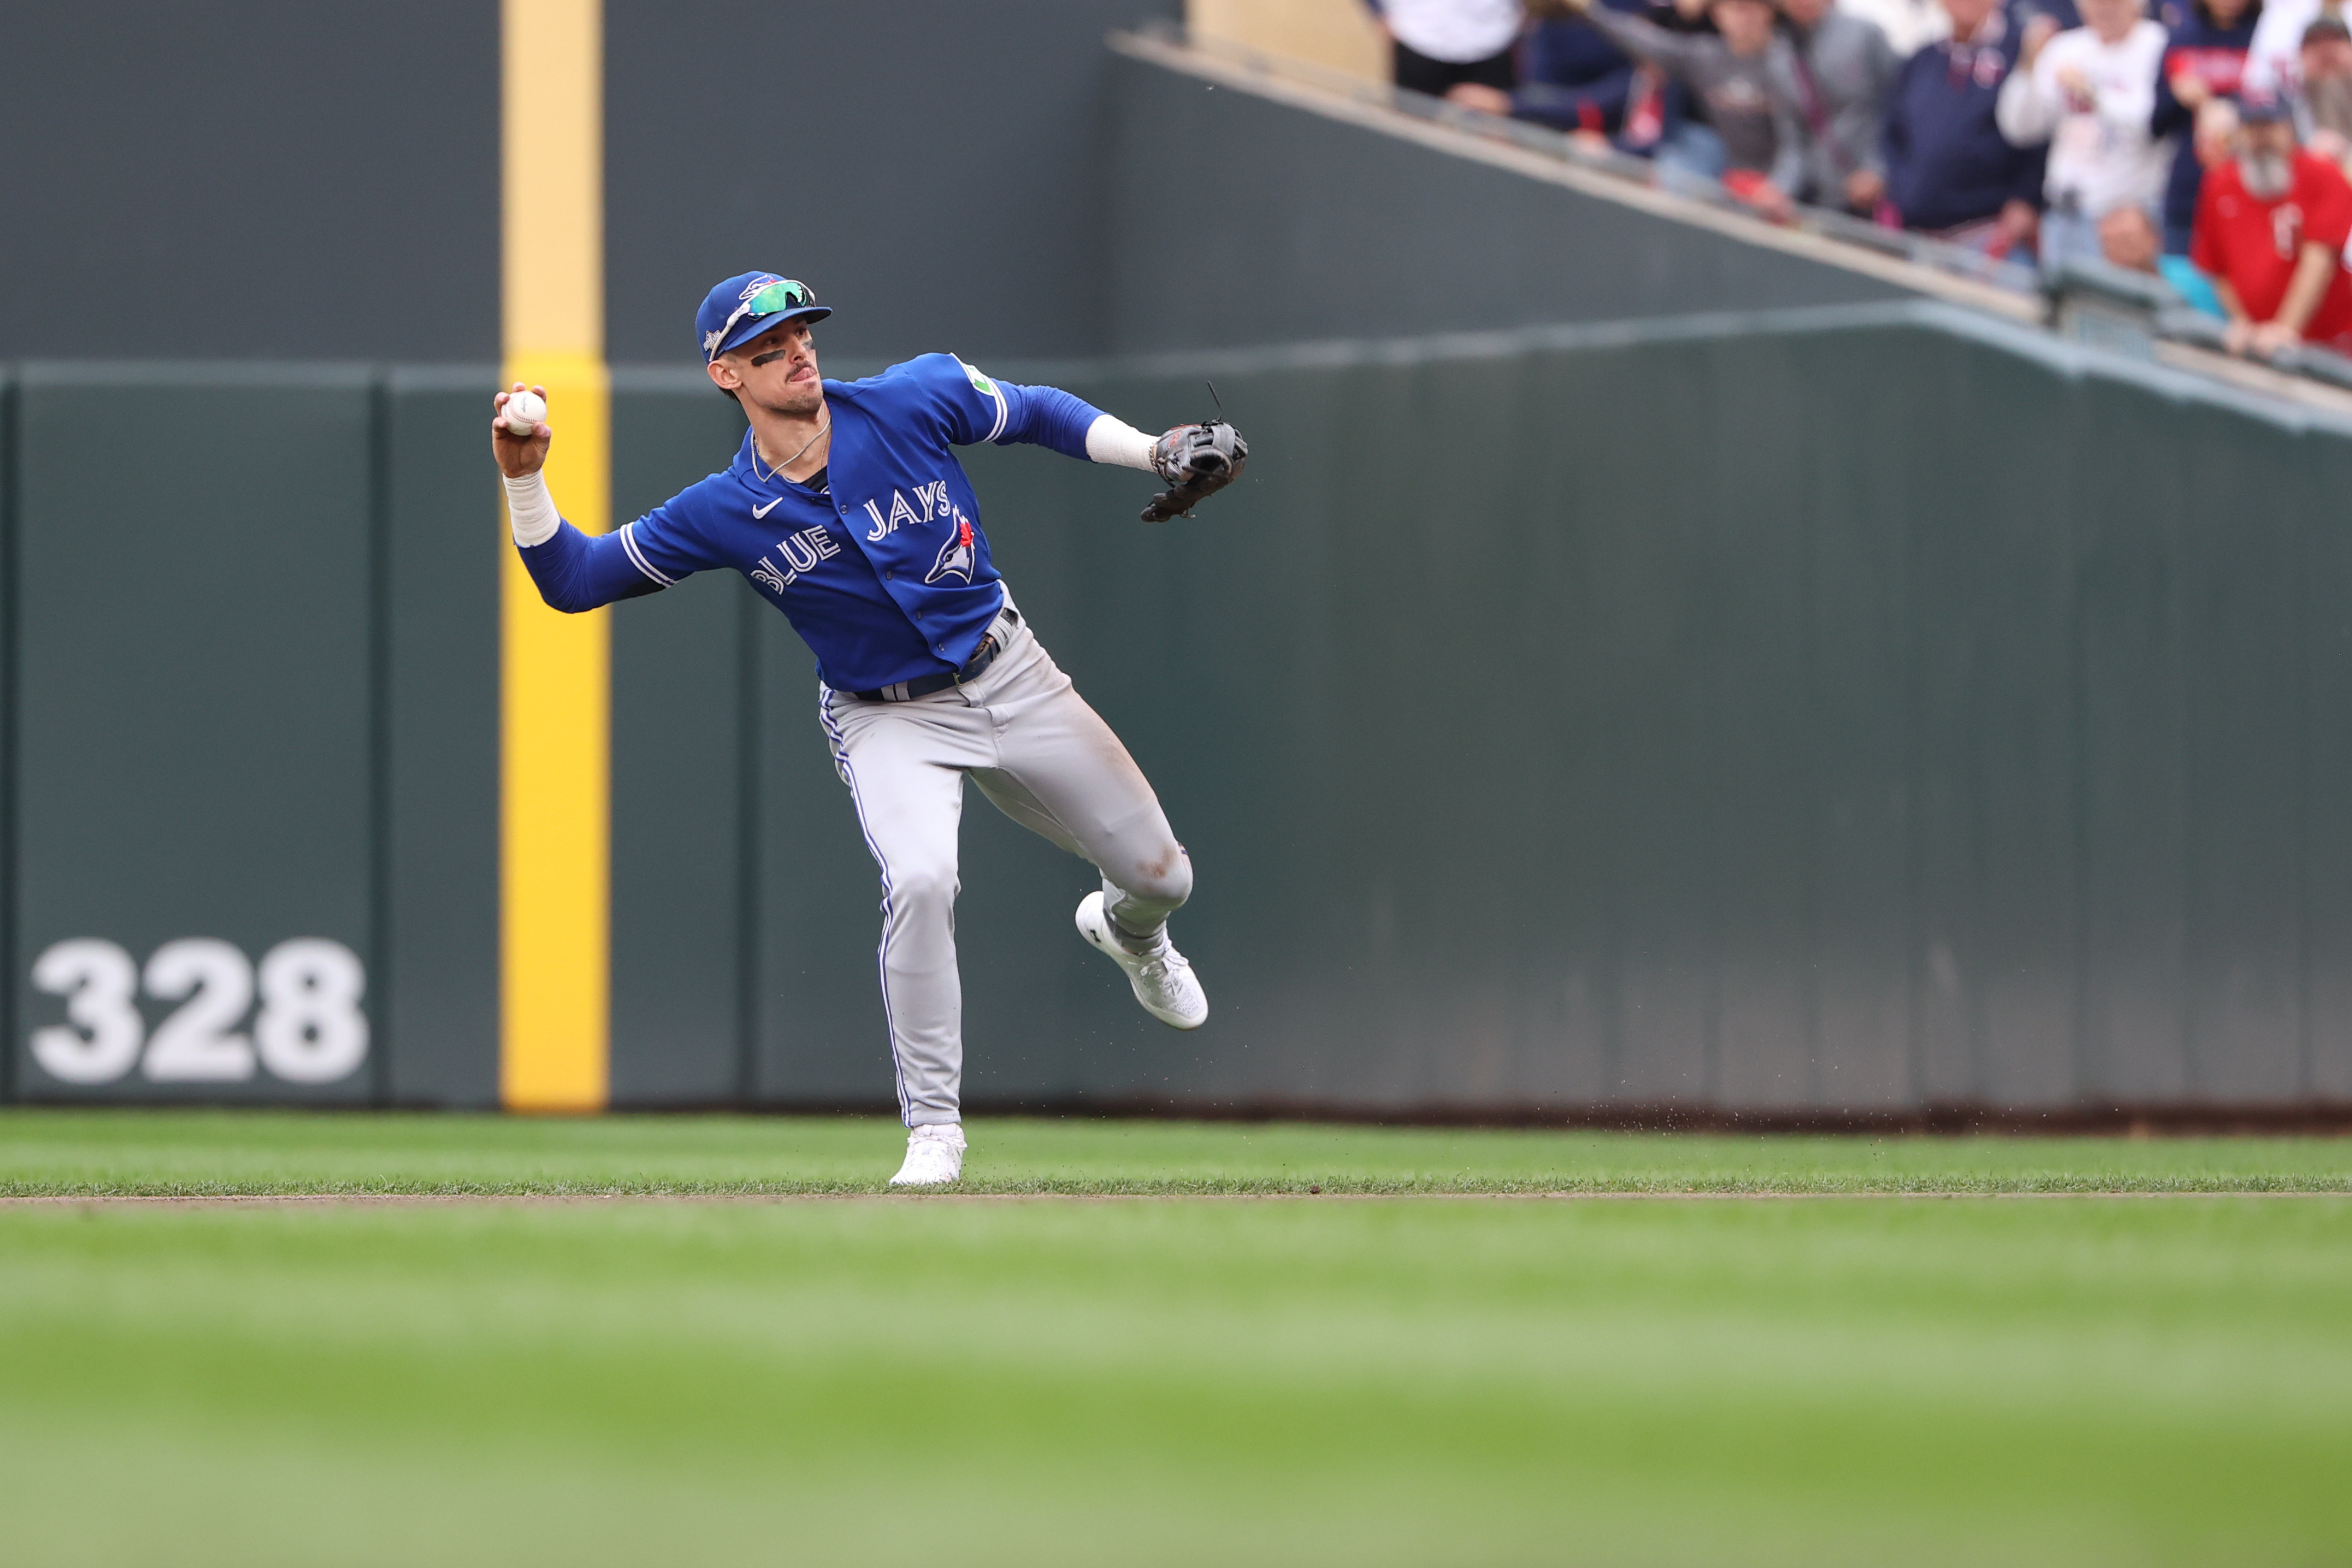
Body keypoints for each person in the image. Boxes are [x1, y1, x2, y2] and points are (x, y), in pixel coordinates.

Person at [491, 274, 1245, 1185]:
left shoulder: (910, 395)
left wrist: (1153, 448)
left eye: (802, 332)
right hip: (889, 719)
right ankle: (935, 1128)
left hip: (1012, 671)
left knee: (1163, 875)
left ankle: (1135, 935)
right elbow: (574, 580)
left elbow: (1037, 412)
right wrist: (524, 483)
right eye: (769, 345)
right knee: (923, 879)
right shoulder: (723, 510)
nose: (798, 349)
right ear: (727, 373)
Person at [1564, 0, 1811, 217]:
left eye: (1748, 8)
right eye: (1732, 8)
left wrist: (1779, 189)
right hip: (1728, 179)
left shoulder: (1787, 65)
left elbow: (1798, 143)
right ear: (1717, 14)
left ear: (1768, 13)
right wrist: (1591, 12)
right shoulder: (1706, 57)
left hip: (1787, 193)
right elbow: (1650, 43)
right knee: (1686, 154)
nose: (1741, 18)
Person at [1996, 0, 2174, 264]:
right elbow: (2020, 129)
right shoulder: (2067, 47)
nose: (2103, 8)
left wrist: (2093, 93)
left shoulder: (2159, 45)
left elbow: (2153, 123)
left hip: (2125, 220)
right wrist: (2028, 64)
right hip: (2064, 214)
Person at [1881, 0, 2049, 250]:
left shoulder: (2021, 53)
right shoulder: (1923, 60)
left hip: (1987, 236)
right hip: (1913, 233)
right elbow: (1893, 134)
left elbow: (2038, 133)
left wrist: (2025, 199)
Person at [2191, 94, 2352, 351]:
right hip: (2260, 342)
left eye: (2269, 127)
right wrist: (2245, 323)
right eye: (2252, 128)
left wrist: (2286, 329)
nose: (2260, 137)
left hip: (2330, 342)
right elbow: (2218, 268)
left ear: (2289, 128)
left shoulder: (2321, 174)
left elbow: (2320, 259)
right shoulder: (2220, 184)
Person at [2149, 0, 2261, 255]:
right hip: (2189, 189)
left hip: (2250, 184)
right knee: (2183, 283)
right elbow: (2156, 124)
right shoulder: (2183, 38)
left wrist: (2217, 103)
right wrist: (2179, 98)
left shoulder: (2266, 35)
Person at [1446, 0, 1643, 145]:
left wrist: (1510, 104)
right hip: (1526, 122)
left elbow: (1604, 102)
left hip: (1582, 139)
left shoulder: (1634, 17)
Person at [1776, 0, 1903, 213]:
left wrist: (1878, 170)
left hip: (1877, 191)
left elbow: (1902, 107)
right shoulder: (1778, 52)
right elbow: (1793, 138)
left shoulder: (1865, 34)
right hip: (1821, 196)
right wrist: (1781, 187)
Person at [1370, 0, 1528, 95]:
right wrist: (1377, 11)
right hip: (1417, 34)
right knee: (1412, 126)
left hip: (1493, 36)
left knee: (1491, 129)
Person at [2296, 16, 2352, 162]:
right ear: (2301, 55)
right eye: (2316, 43)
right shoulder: (2285, 101)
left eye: (2335, 40)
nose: (2326, 49)